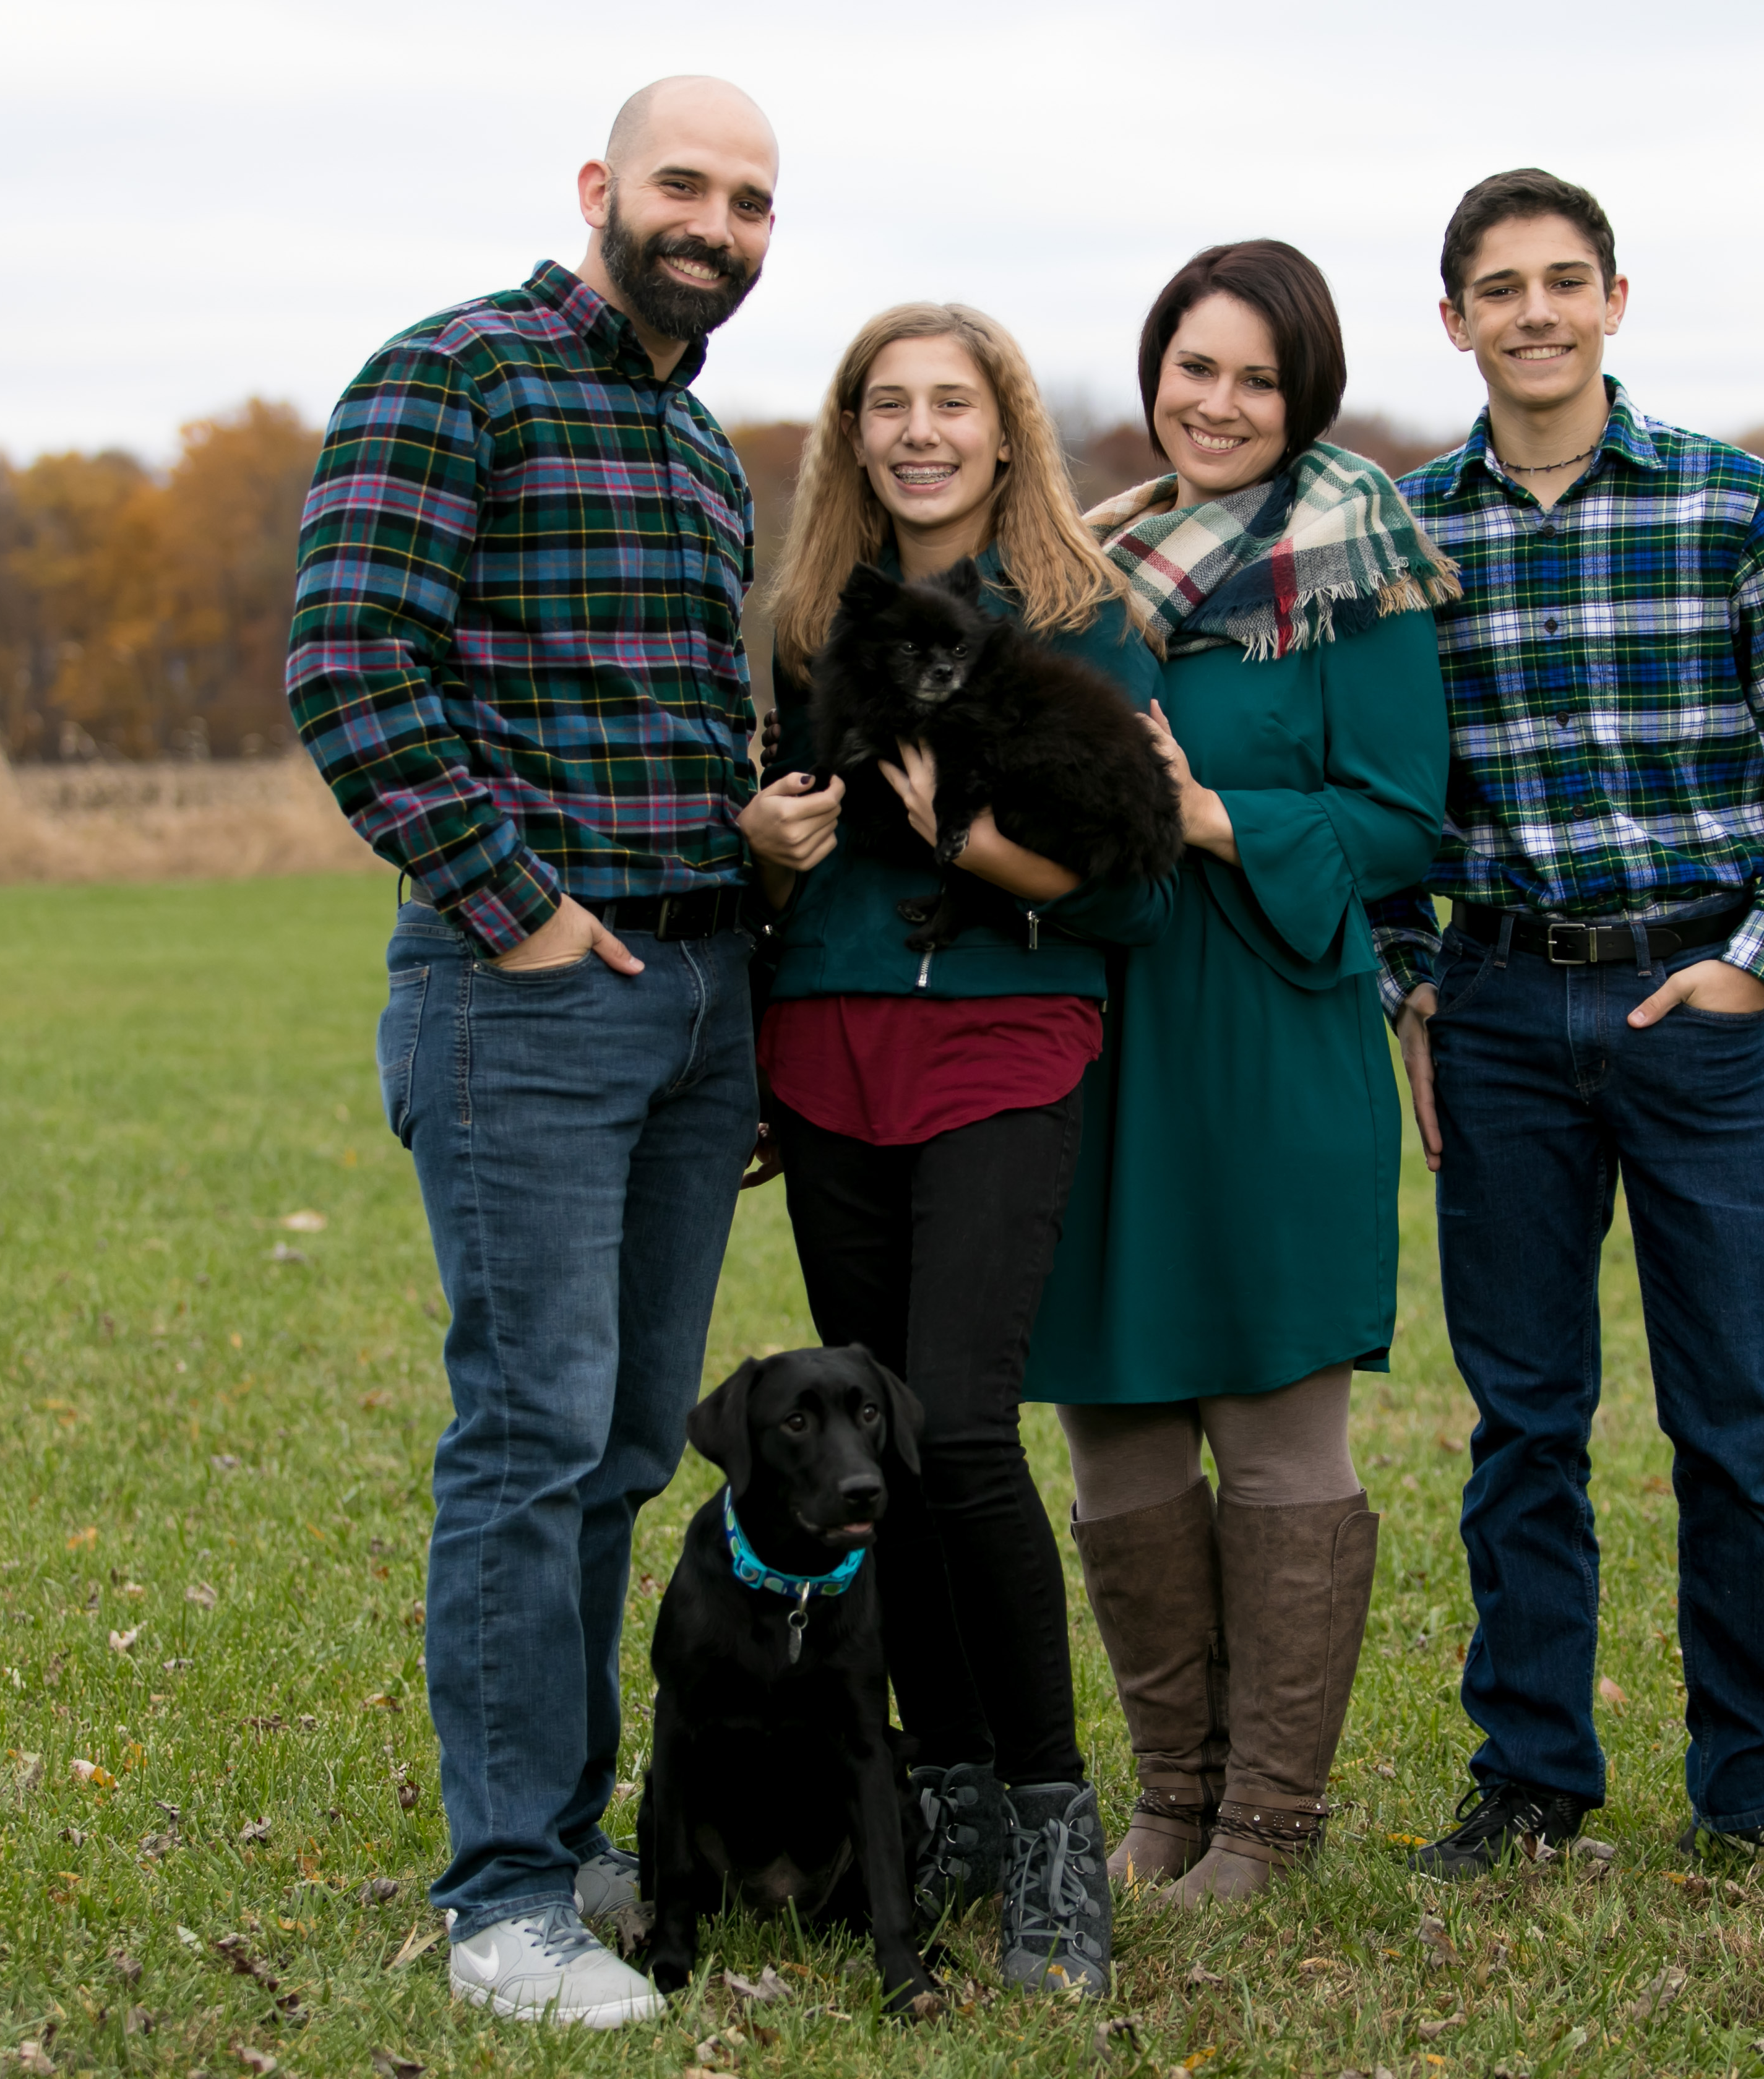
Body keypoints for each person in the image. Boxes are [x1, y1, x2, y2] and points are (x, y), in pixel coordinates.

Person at [285, 77, 800, 2026]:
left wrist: (737, 904)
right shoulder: (455, 376)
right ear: (600, 188)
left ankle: (566, 1830)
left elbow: (681, 730)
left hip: (691, 1006)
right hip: (527, 1004)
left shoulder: (697, 443)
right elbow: (349, 664)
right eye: (686, 185)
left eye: (753, 201)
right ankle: (502, 1904)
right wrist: (524, 910)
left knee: (612, 1452)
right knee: (526, 1441)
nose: (719, 224)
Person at [1367, 170, 1764, 1891]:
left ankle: (1758, 1790)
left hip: (1700, 1001)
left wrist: (1762, 959)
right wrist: (1412, 982)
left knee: (1735, 1420)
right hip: (1507, 1002)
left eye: (1564, 281)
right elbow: (1370, 791)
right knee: (1524, 1422)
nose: (1534, 312)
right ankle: (1532, 1781)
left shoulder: (1736, 505)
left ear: (1615, 300)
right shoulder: (1400, 535)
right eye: (1498, 289)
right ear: (1452, 321)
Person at [746, 302, 1166, 1994]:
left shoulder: (1082, 621)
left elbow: (1136, 883)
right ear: (854, 434)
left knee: (967, 1430)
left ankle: (1059, 1827)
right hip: (828, 1047)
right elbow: (772, 857)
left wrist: (974, 846)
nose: (921, 432)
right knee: (876, 1455)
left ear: (1006, 432)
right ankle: (946, 1792)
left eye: (954, 404)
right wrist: (766, 849)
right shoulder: (800, 623)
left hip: (1003, 1041)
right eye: (888, 406)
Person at [1031, 240, 1454, 1907]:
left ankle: (1270, 1823)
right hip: (1102, 1033)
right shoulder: (1086, 561)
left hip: (1276, 1024)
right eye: (1191, 369)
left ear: (1307, 398)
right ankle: (1169, 1802)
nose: (1215, 404)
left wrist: (1212, 814)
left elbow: (1409, 826)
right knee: (1121, 1432)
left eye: (1254, 380)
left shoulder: (1359, 559)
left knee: (1279, 1433)